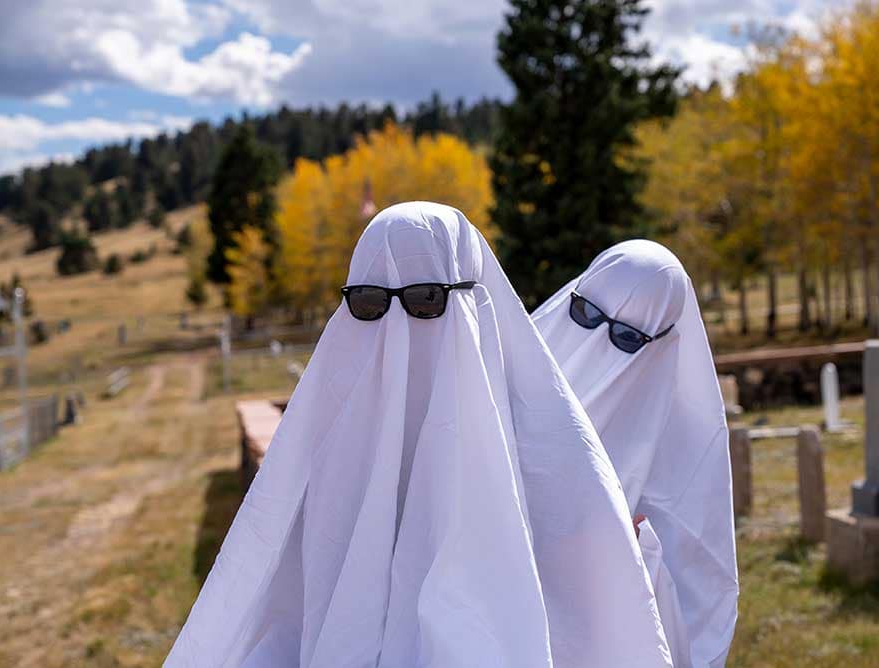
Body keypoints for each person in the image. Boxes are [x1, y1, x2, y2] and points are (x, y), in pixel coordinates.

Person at [165, 203, 674, 668]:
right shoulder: (316, 445)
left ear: (477, 300)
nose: (399, 328)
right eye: (368, 302)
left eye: (426, 300)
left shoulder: (553, 456)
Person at [532, 240, 738, 668]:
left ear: (662, 342)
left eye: (626, 337)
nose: (595, 345)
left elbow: (696, 591)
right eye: (585, 314)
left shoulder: (680, 449)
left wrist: (638, 550)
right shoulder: (504, 381)